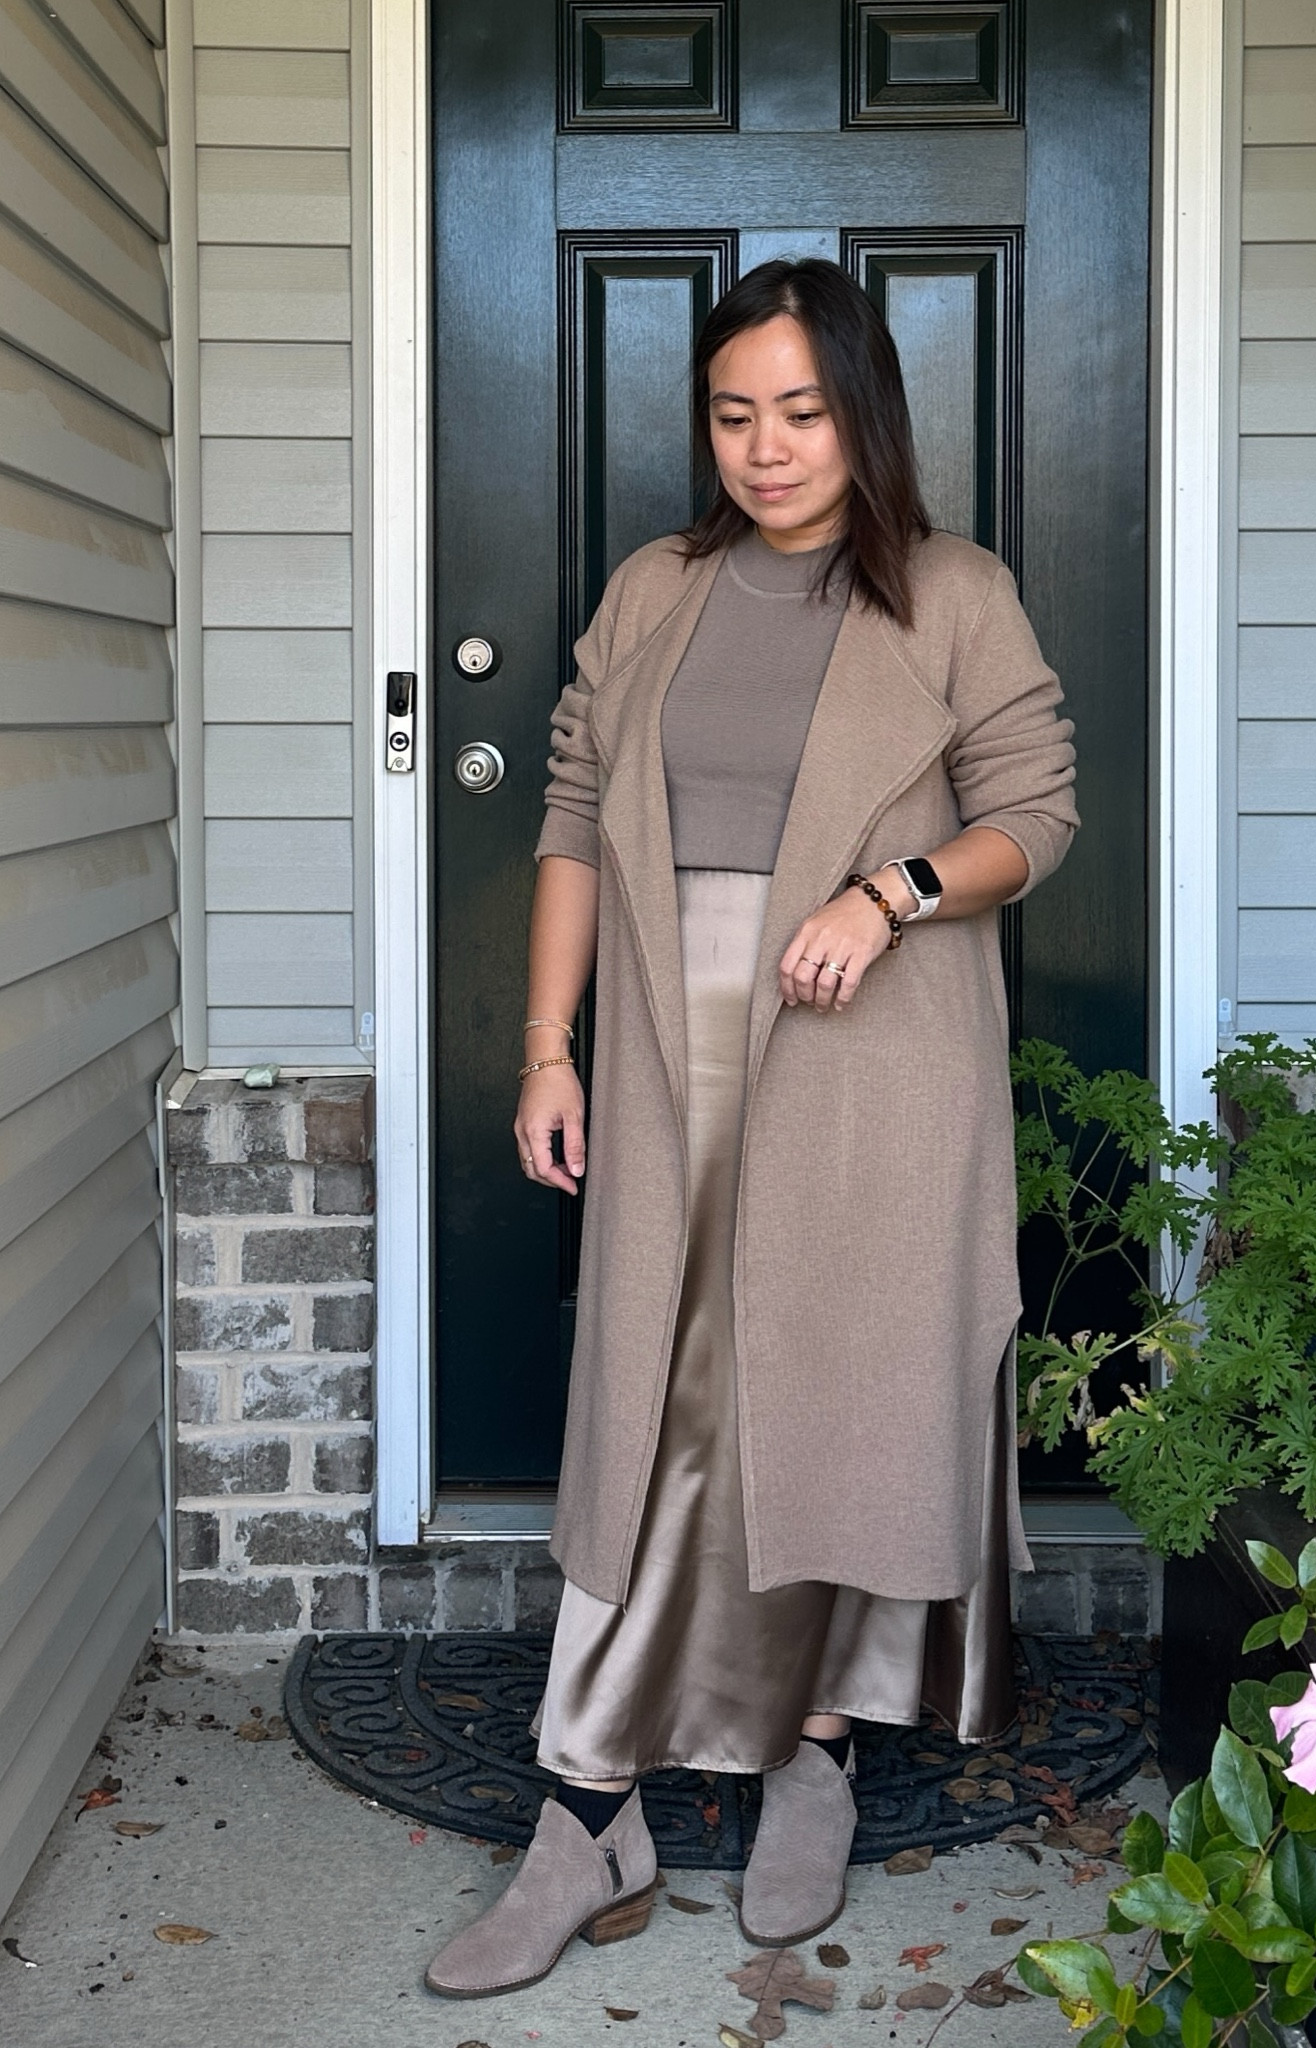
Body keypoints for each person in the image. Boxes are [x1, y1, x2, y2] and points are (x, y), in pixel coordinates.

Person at [425, 258, 1078, 2001]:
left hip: (871, 1062)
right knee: (665, 1406)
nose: (767, 448)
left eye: (800, 412)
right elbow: (573, 817)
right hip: (668, 1052)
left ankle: (815, 1754)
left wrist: (895, 890)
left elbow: (1035, 816)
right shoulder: (656, 589)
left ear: (864, 415)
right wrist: (545, 1051)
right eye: (733, 414)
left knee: (836, 1399)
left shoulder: (954, 593)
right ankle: (589, 1812)